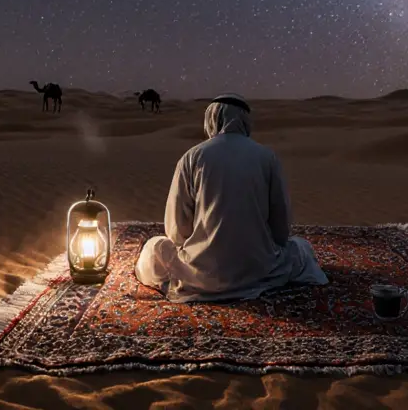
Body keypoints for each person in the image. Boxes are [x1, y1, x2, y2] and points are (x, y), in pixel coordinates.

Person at [134, 93, 328, 302]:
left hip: (200, 274)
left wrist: (195, 248)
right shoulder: (266, 156)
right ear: (245, 120)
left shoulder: (193, 156)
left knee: (154, 249)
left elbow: (177, 228)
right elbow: (280, 225)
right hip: (259, 268)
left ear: (211, 119)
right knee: (301, 248)